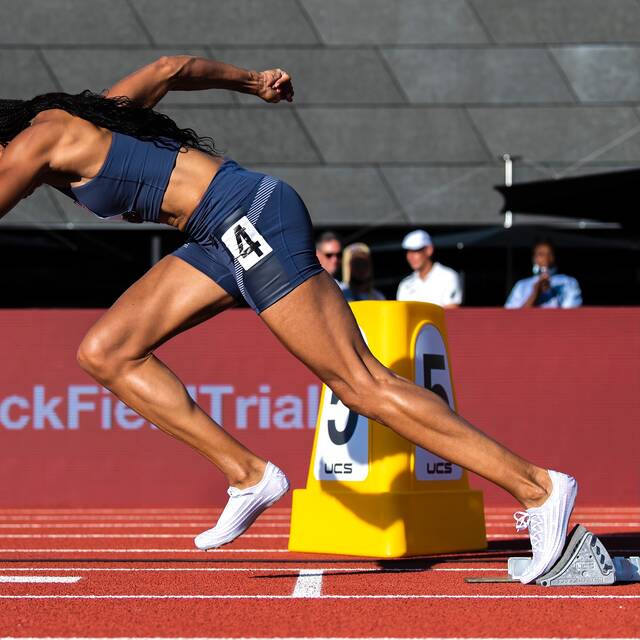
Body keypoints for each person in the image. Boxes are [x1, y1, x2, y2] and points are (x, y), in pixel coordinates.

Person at [0, 54, 576, 584]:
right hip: (211, 236)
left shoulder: (35, 144)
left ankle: (539, 488)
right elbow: (170, 67)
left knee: (360, 384)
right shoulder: (83, 119)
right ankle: (250, 475)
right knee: (107, 350)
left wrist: (252, 84)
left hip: (245, 218)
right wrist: (254, 82)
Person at [505, 240, 582, 309]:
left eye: (549, 254)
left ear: (554, 257)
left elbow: (571, 312)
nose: (546, 258)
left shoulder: (567, 282)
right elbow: (513, 316)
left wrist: (553, 291)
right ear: (534, 258)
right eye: (541, 254)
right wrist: (536, 292)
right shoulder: (522, 285)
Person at [396, 229, 462, 308]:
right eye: (408, 251)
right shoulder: (405, 284)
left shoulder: (448, 276)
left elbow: (451, 313)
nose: (410, 256)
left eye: (416, 250)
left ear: (429, 250)